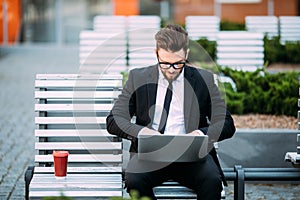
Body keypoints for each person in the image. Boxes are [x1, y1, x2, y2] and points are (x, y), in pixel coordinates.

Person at [106, 24, 236, 200]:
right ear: (156, 53)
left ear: (187, 54)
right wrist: (141, 132)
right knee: (134, 180)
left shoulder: (203, 80)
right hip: (150, 157)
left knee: (212, 181)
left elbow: (227, 123)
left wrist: (200, 134)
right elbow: (114, 120)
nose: (171, 69)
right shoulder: (138, 77)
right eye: (165, 63)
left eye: (178, 63)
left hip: (193, 158)